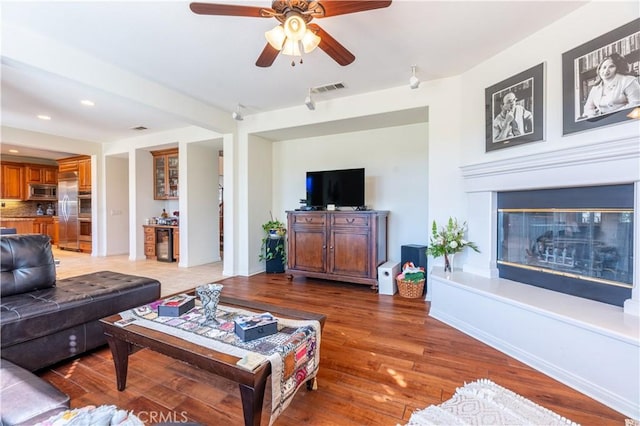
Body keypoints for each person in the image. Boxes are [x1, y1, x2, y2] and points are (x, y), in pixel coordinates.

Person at [582, 53, 640, 118]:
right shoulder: (595, 88)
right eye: (604, 67)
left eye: (611, 66)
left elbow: (636, 104)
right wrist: (593, 116)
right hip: (603, 122)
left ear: (618, 68)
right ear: (599, 69)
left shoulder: (628, 81)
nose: (606, 70)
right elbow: (588, 108)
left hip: (626, 119)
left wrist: (610, 116)